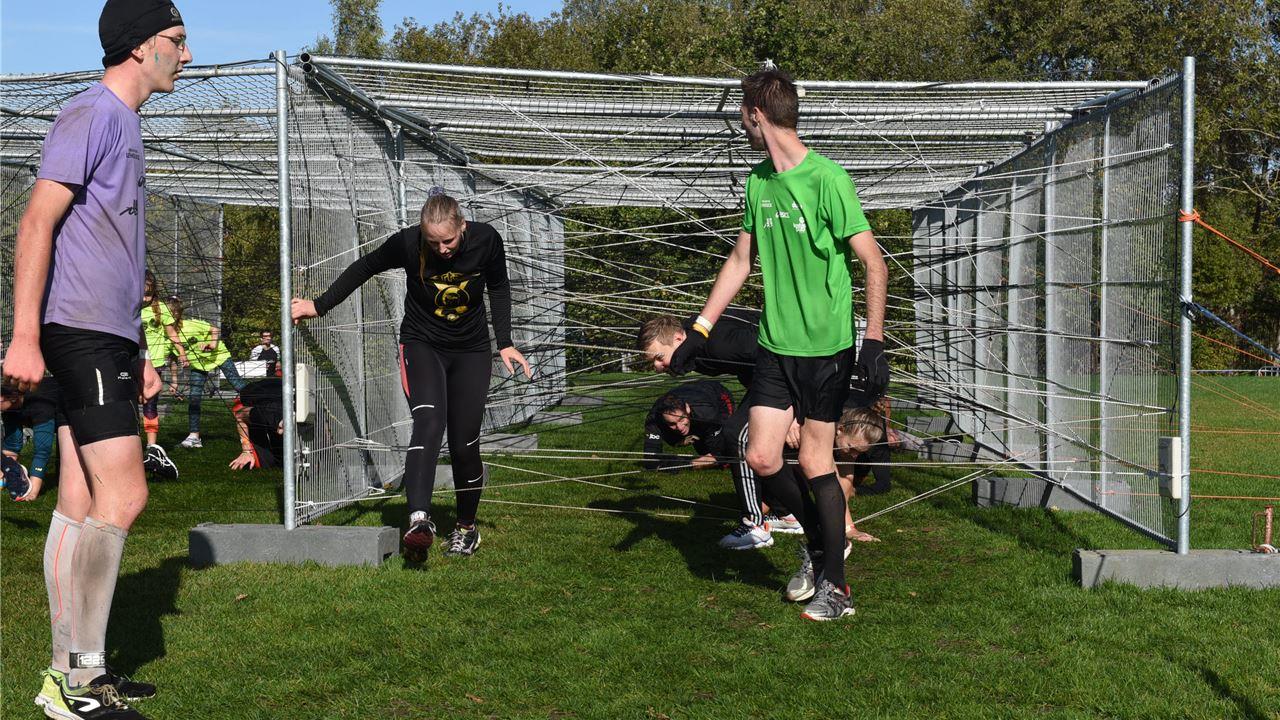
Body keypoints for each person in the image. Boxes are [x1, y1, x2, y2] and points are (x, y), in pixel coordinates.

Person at [1, 1, 191, 716]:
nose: (186, 55)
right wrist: (24, 336)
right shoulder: (90, 114)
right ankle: (78, 681)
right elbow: (36, 222)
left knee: (80, 500)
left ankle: (69, 676)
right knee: (127, 495)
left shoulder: (126, 124)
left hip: (106, 335)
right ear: (141, 46)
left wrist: (137, 346)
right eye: (177, 40)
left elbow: (113, 251)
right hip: (78, 331)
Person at [676, 67, 888, 621]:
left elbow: (874, 262)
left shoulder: (828, 179)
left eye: (742, 119)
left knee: (815, 459)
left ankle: (836, 588)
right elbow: (740, 261)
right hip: (775, 345)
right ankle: (821, 544)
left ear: (756, 116)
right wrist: (699, 329)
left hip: (826, 349)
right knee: (761, 455)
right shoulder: (758, 182)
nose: (742, 128)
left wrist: (873, 341)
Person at [291, 189, 532, 563]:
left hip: (471, 350)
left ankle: (466, 528)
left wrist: (505, 342)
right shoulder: (407, 243)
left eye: (448, 241)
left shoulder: (487, 240)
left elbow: (499, 287)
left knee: (464, 443)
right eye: (433, 243)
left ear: (462, 227)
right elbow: (365, 266)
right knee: (429, 421)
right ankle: (419, 520)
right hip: (422, 344)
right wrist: (319, 305)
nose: (442, 249)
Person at [640, 380, 802, 550]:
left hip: (718, 397)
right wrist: (666, 459)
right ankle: (782, 514)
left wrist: (684, 464)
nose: (679, 427)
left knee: (733, 452)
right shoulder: (654, 419)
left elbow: (722, 456)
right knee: (706, 450)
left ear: (687, 409)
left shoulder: (706, 413)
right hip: (696, 404)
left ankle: (772, 513)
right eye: (672, 424)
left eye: (681, 420)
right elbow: (650, 460)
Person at [170, 297, 247, 449]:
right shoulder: (168, 335)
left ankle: (264, 409)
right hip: (198, 365)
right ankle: (194, 437)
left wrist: (212, 344)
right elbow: (172, 357)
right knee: (194, 398)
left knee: (238, 386)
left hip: (219, 356)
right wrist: (174, 381)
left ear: (178, 313)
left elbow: (214, 329)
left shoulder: (191, 324)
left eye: (171, 313)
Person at [139, 271, 181, 478]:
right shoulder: (129, 307)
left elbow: (172, 332)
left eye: (148, 294)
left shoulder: (161, 309)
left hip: (155, 364)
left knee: (150, 404)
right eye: (142, 293)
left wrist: (182, 352)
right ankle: (129, 445)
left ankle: (152, 448)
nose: (145, 298)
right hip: (132, 363)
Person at [2, 377, 60, 501]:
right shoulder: (7, 407)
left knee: (65, 470)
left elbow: (42, 451)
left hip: (69, 414)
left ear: (12, 398)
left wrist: (32, 491)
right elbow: (11, 447)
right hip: (38, 410)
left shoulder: (39, 402)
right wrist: (5, 473)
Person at [228, 378, 284, 470]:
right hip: (252, 392)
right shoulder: (265, 414)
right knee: (266, 461)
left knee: (279, 458)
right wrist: (246, 450)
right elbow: (239, 415)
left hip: (280, 390)